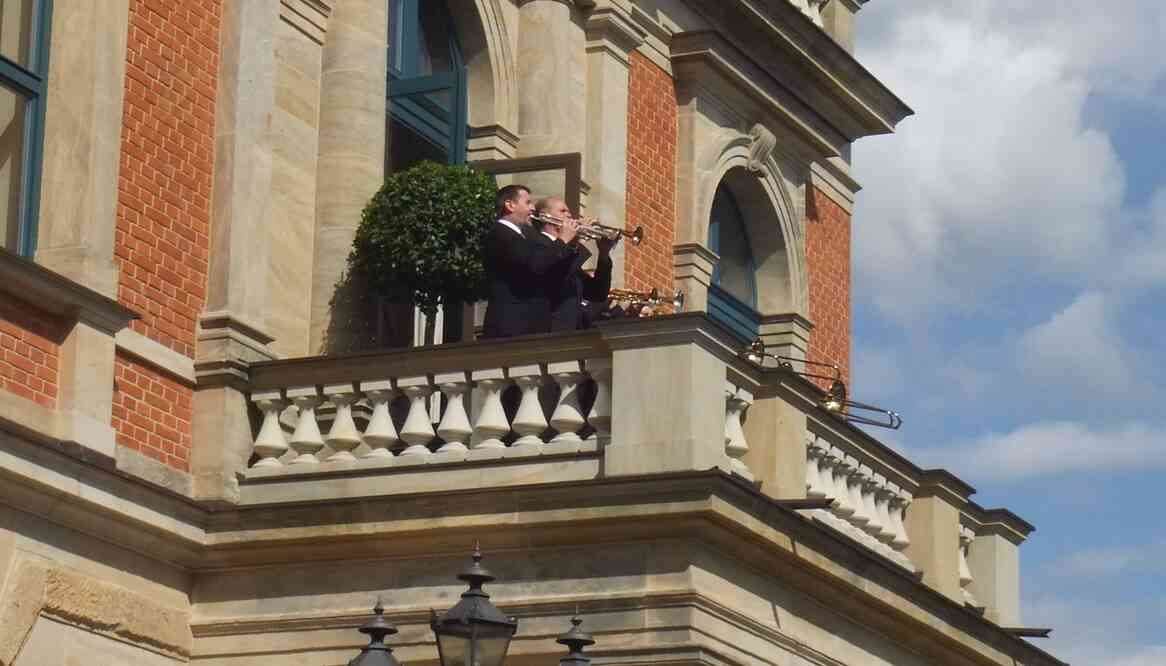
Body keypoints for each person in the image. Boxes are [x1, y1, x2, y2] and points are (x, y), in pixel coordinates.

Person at [481, 184, 581, 338]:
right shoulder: (500, 233)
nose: (533, 207)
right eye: (527, 202)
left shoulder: (525, 236)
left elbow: (551, 276)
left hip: (532, 325)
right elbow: (535, 265)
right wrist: (563, 241)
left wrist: (572, 244)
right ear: (510, 205)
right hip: (512, 325)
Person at [531, 197, 617, 331]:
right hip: (550, 328)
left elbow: (597, 293)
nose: (569, 215)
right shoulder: (538, 243)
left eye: (569, 211)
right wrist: (574, 241)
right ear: (545, 216)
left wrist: (604, 254)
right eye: (562, 211)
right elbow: (555, 277)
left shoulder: (568, 251)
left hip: (572, 331)